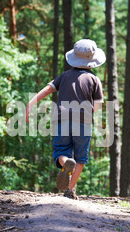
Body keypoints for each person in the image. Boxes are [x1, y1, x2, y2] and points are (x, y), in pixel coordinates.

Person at [25, 39, 106, 200]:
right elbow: (97, 105)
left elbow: (49, 89)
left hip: (62, 120)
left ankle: (66, 162)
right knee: (81, 158)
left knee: (61, 151)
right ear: (92, 60)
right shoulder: (94, 79)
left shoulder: (64, 76)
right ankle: (70, 190)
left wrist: (31, 102)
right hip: (84, 121)